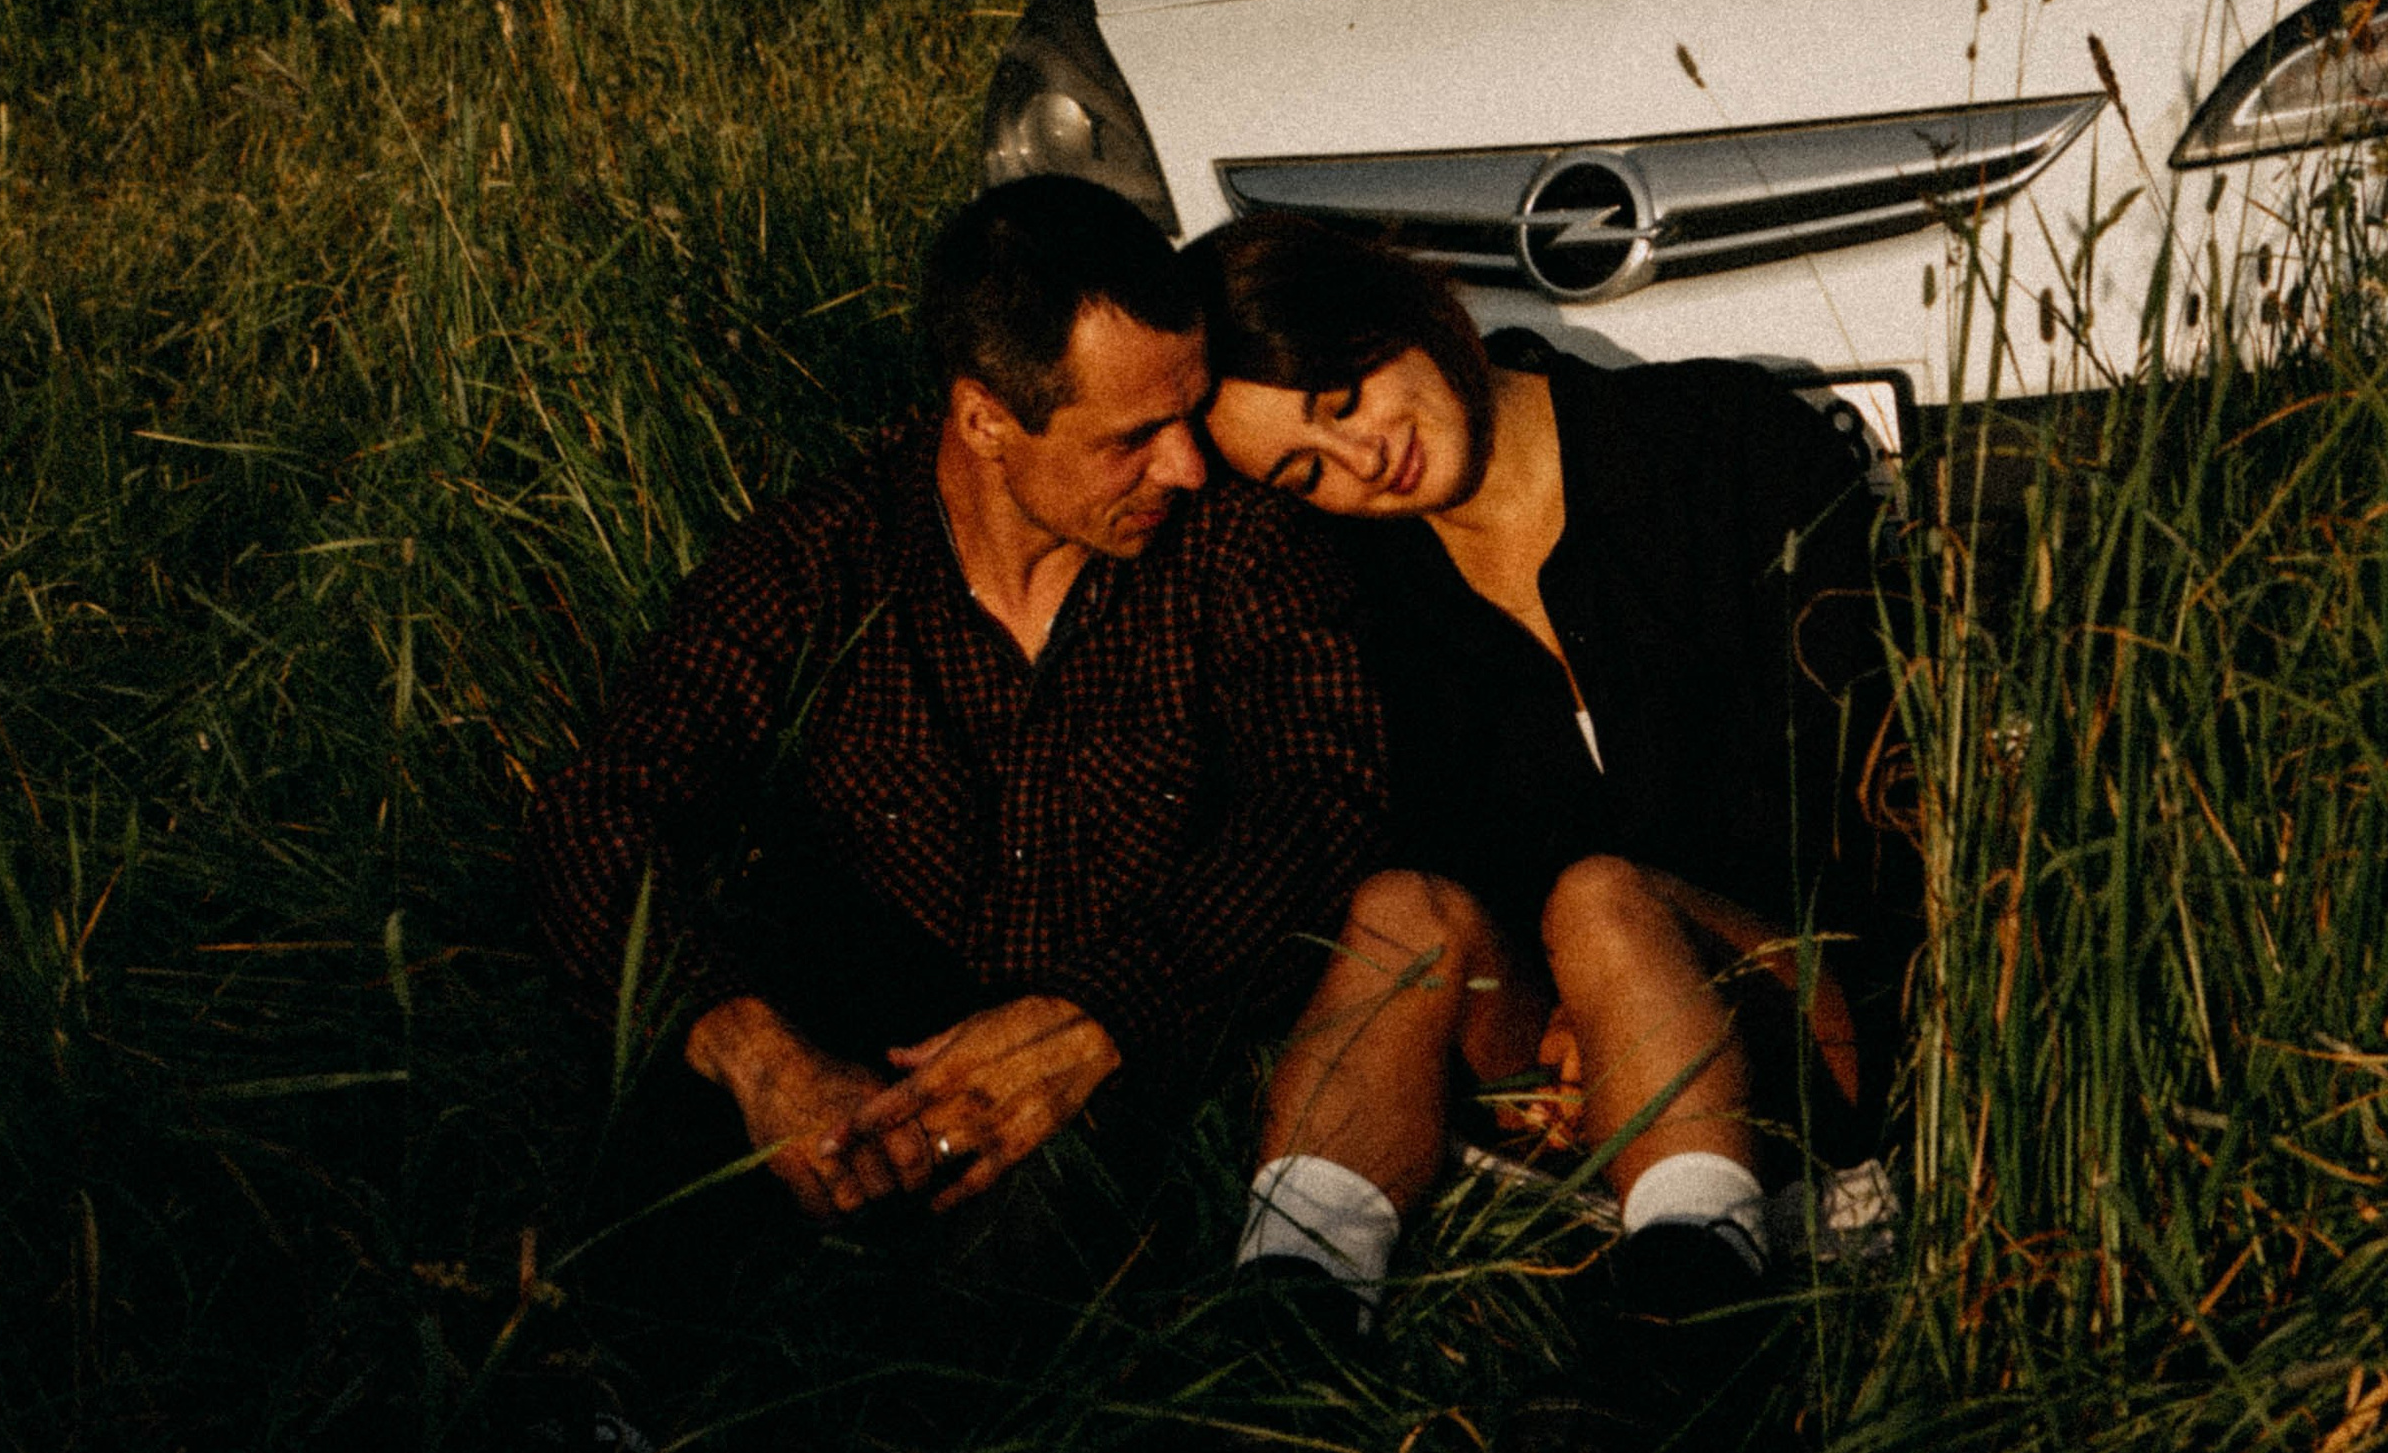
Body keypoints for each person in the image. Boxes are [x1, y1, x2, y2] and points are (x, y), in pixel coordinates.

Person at [525, 181, 1387, 1224]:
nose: (1188, 465)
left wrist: (1102, 1017)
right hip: (853, 1094)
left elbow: (1324, 797)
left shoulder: (1239, 551)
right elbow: (600, 809)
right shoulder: (822, 560)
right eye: (1133, 435)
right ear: (984, 418)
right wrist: (756, 1057)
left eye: (1189, 413)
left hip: (1138, 1104)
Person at [1183, 215, 1912, 1365]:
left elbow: (1863, 791)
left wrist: (1620, 956)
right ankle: (1289, 1328)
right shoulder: (1368, 598)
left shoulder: (1718, 442)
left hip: (1814, 1019)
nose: (1362, 459)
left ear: (1408, 310)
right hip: (1575, 1081)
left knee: (1598, 899)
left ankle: (1691, 1332)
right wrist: (1584, 1005)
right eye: (1304, 470)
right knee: (1399, 913)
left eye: (1343, 392)